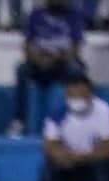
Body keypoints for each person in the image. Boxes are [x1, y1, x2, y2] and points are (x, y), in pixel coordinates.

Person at [14, 0, 86, 135]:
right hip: (39, 63)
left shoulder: (74, 16)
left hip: (62, 64)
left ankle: (78, 119)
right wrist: (39, 60)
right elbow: (27, 47)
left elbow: (75, 50)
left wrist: (55, 59)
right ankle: (20, 120)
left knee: (76, 69)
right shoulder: (35, 15)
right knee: (21, 70)